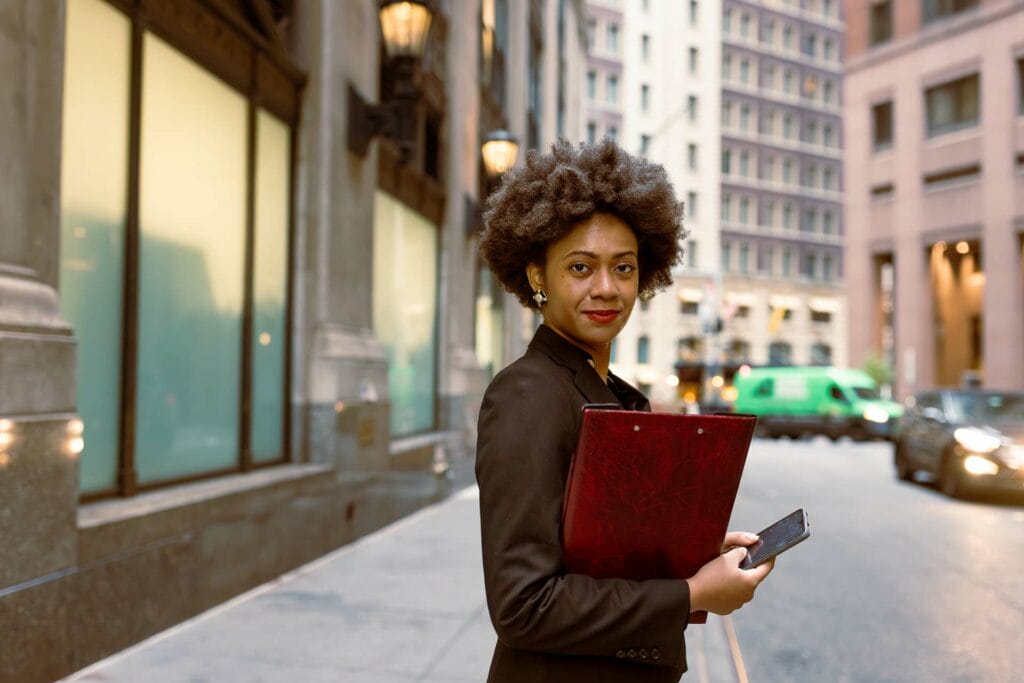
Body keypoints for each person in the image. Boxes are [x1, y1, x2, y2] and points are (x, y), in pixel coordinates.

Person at [475, 139, 775, 682]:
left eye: (624, 267)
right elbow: (523, 606)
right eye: (581, 267)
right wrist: (689, 596)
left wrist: (691, 554)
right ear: (538, 277)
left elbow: (599, 554)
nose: (606, 288)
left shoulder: (608, 389)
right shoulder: (526, 394)